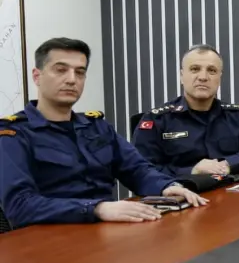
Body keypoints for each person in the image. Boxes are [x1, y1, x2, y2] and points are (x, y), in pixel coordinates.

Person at [0, 38, 206, 228]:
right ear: (37, 76)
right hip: (50, 239)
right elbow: (19, 206)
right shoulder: (13, 134)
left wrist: (166, 186)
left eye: (79, 72)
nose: (71, 79)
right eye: (61, 70)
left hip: (106, 230)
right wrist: (96, 209)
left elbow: (136, 169)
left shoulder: (96, 126)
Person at [132, 44, 239, 177]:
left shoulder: (235, 116)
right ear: (182, 76)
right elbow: (141, 171)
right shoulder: (156, 120)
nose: (203, 77)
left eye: (212, 71)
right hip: (181, 193)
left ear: (219, 78)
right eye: (195, 69)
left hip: (230, 192)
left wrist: (227, 164)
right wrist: (192, 171)